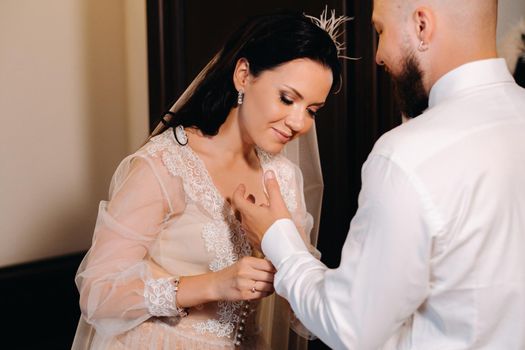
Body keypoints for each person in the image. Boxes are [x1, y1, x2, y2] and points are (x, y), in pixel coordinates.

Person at [233, 0, 525, 349]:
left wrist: (279, 239)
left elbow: (351, 329)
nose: (378, 56)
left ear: (421, 26)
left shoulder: (408, 156)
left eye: (380, 31)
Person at [72, 10, 348, 350]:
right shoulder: (166, 164)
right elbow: (98, 294)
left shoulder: (283, 180)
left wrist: (282, 251)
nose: (298, 122)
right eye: (288, 99)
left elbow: (304, 314)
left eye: (312, 110)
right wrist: (214, 285)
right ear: (244, 75)